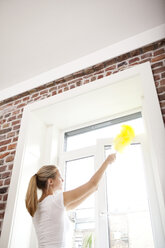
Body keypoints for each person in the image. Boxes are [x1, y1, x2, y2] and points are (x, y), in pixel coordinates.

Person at [25, 153, 116, 248]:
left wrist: (92, 190)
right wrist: (107, 161)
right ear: (50, 181)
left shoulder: (37, 206)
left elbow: (73, 205)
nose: (62, 180)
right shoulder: (56, 200)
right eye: (60, 177)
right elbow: (92, 183)